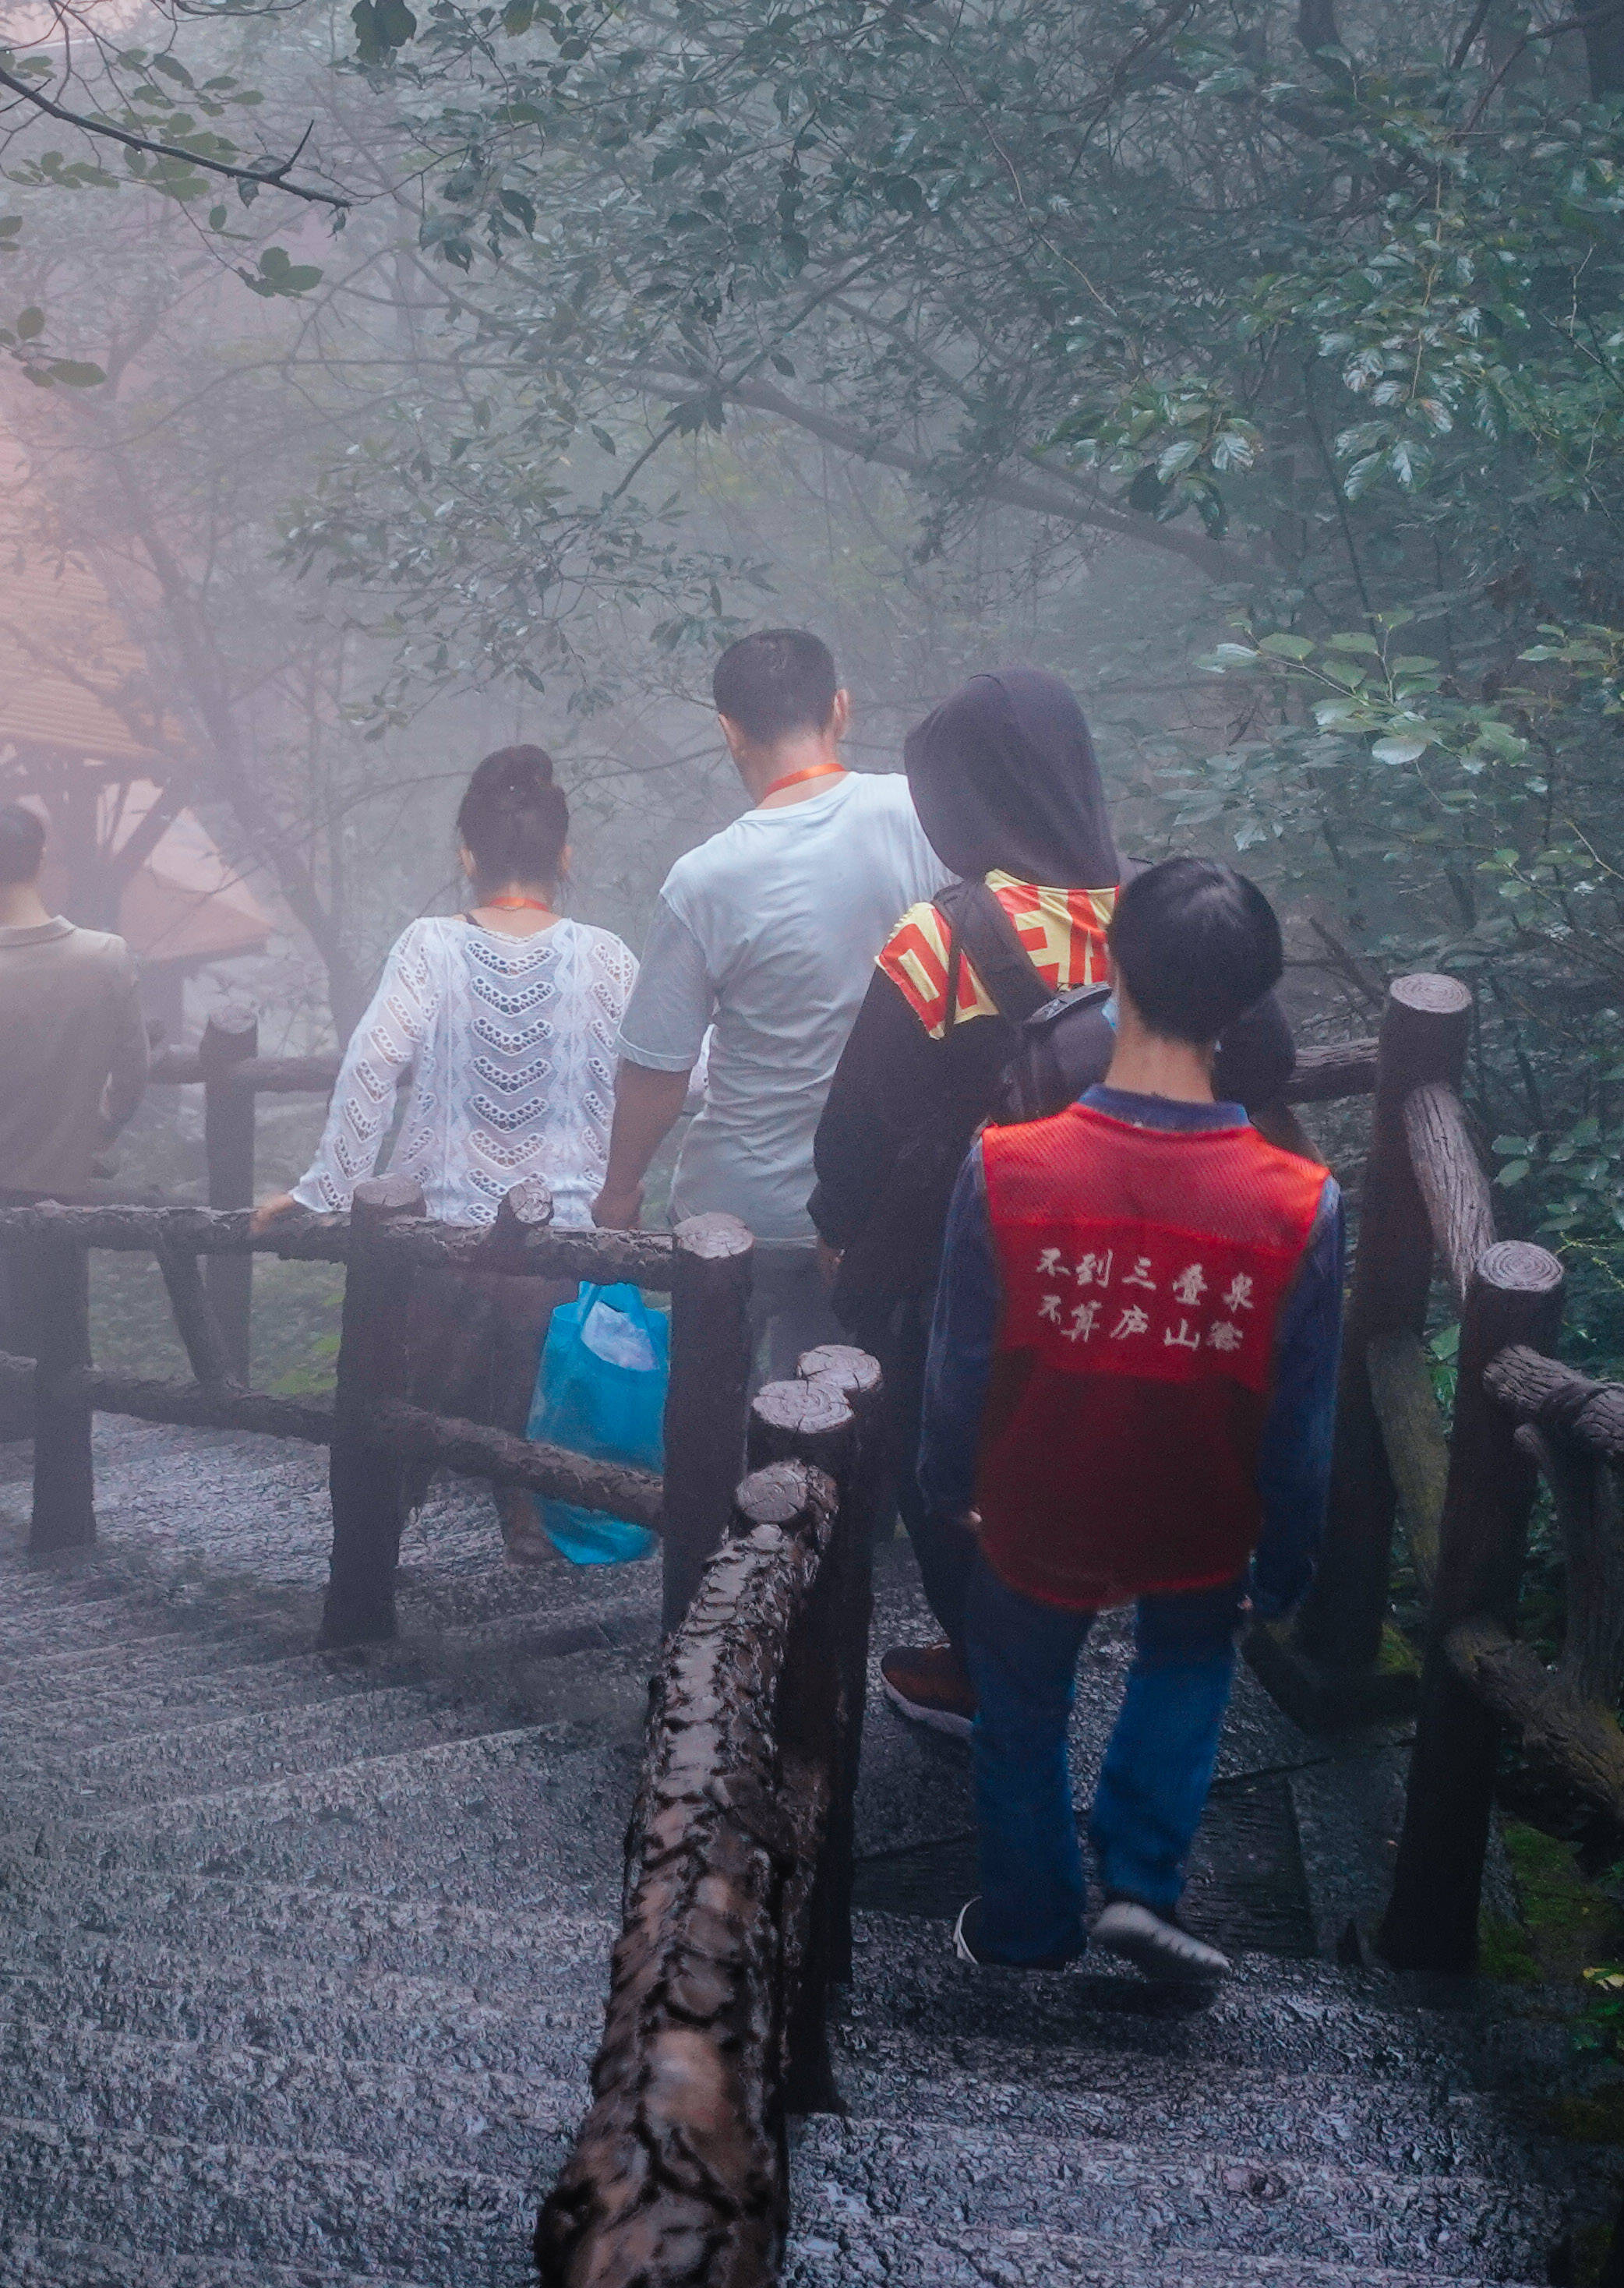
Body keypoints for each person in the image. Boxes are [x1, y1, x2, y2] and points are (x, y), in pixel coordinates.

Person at [807, 668, 1299, 1739]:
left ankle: (990, 1671)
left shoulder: (943, 940)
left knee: (966, 1463)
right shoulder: (1169, 911)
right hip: (1155, 1254)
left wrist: (841, 1234)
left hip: (975, 1261)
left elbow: (853, 1134)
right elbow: (1267, 1061)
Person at [914, 860, 1343, 1981]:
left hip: (1038, 1487)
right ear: (1244, 1006)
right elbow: (1302, 1417)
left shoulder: (1010, 1166)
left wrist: (944, 1481)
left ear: (1113, 971)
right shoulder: (1300, 1203)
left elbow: (960, 1360)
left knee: (1020, 1697)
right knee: (1188, 1661)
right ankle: (1143, 1879)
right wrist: (1291, 1558)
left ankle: (1027, 1918)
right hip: (1201, 1500)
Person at [271, 745, 638, 1566]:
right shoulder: (608, 957)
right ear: (566, 858)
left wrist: (325, 1190)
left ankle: (374, 1555)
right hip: (565, 1240)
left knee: (413, 1408)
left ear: (466, 856)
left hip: (445, 1235)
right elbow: (678, 1068)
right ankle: (528, 1520)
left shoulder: (430, 946)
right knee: (535, 1408)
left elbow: (372, 1063)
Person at [595, 630, 944, 1386]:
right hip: (875, 1213)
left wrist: (620, 1191)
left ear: (729, 731)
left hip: (736, 1217)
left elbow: (658, 1066)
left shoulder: (704, 879)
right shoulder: (925, 819)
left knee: (710, 1434)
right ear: (840, 710)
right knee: (849, 1435)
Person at [0, 806, 151, 1450]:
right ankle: (64, 1413)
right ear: (41, 862)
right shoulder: (108, 957)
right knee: (59, 1296)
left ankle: (11, 1415)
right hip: (62, 1173)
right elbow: (132, 1072)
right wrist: (97, 1133)